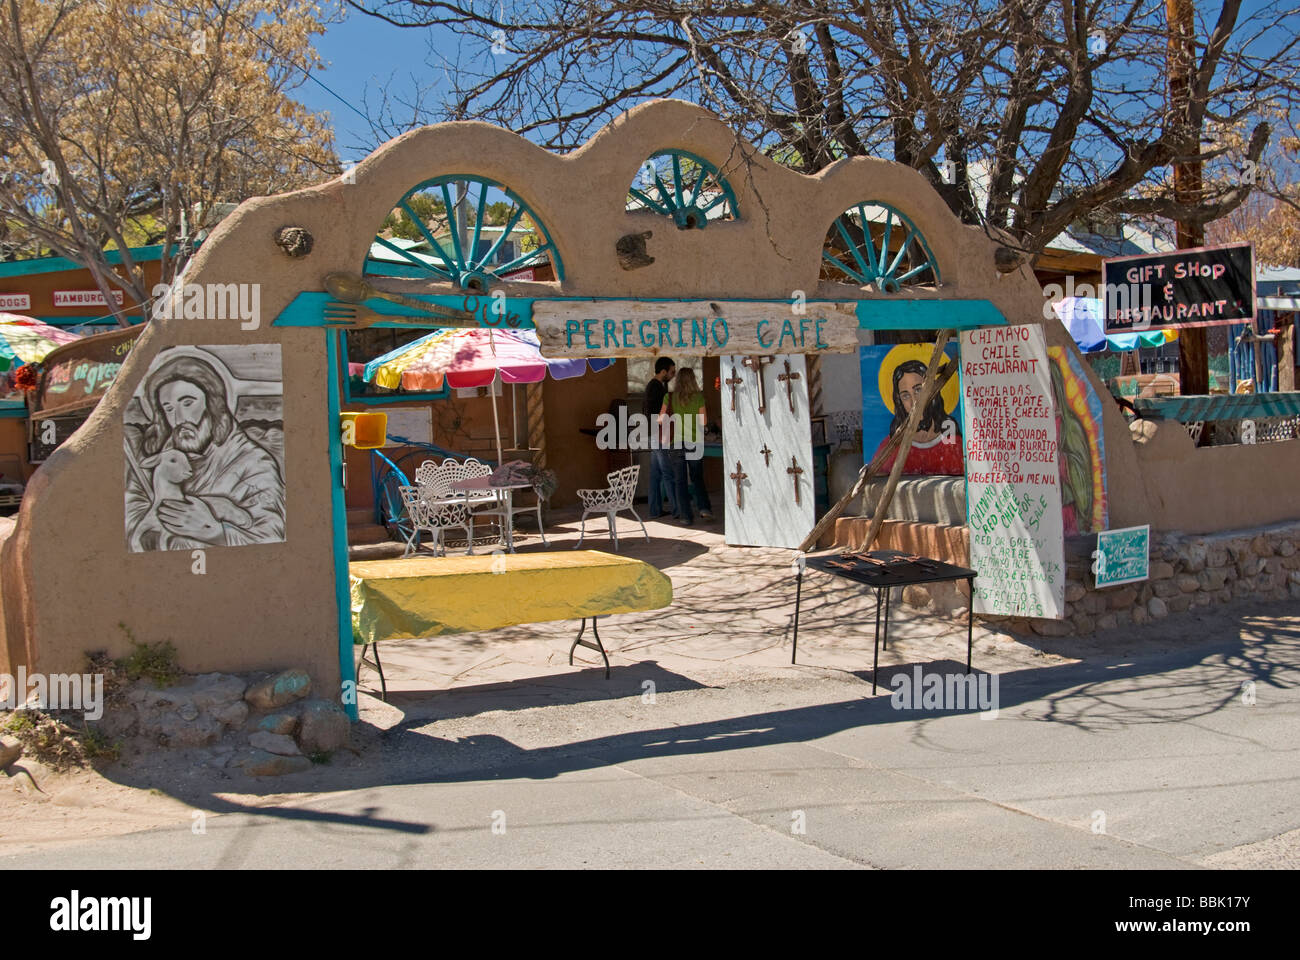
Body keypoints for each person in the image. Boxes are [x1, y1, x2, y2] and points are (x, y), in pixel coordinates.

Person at [125, 354, 286, 551]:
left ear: (213, 405)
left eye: (187, 403)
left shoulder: (254, 463)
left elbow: (272, 537)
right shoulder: (154, 463)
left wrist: (215, 532)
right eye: (168, 409)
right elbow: (131, 522)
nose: (179, 418)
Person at [871, 359, 964, 475]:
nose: (914, 401)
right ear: (900, 402)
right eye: (905, 396)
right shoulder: (890, 448)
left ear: (931, 391)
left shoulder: (952, 440)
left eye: (918, 390)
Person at [664, 367, 713, 522]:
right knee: (697, 477)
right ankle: (704, 509)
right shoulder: (698, 397)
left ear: (677, 380)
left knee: (680, 480)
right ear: (693, 379)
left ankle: (686, 516)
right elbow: (703, 421)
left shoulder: (669, 397)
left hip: (675, 442)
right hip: (694, 441)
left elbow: (660, 418)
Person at [643, 356, 676, 519]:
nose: (673, 375)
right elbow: (652, 413)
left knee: (656, 475)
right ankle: (677, 509)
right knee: (668, 473)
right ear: (663, 371)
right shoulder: (655, 387)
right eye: (671, 372)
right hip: (659, 434)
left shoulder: (656, 386)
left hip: (655, 434)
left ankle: (655, 510)